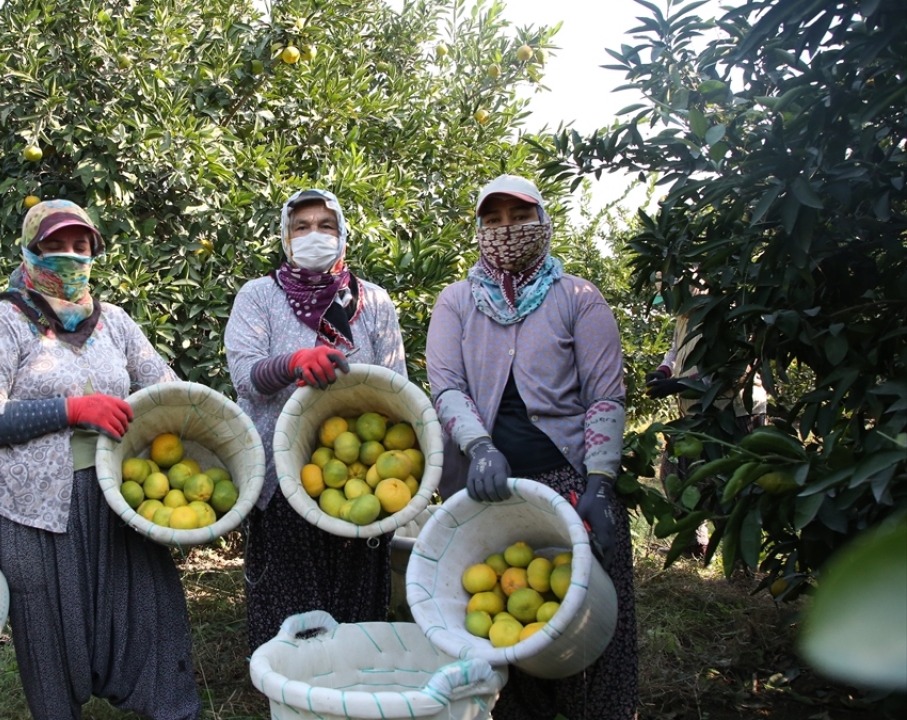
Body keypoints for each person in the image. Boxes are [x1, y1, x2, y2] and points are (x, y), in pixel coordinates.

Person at [0, 199, 199, 720]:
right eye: (55, 245)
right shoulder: (2, 322)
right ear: (30, 251)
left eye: (80, 245)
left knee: (149, 609)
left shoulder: (114, 322)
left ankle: (171, 709)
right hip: (30, 505)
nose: (69, 256)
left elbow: (167, 389)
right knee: (48, 627)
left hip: (118, 493)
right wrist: (71, 409)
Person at [425, 175, 638, 720]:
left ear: (542, 222)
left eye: (520, 217)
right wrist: (480, 447)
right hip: (491, 491)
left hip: (571, 484)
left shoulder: (578, 298)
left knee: (588, 624)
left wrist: (599, 483)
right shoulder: (457, 302)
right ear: (478, 230)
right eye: (493, 219)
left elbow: (605, 395)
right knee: (504, 626)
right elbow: (447, 386)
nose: (506, 229)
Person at [225, 189, 408, 651]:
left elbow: (396, 387)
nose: (314, 235)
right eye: (301, 226)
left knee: (356, 592)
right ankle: (289, 677)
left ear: (342, 234)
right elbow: (245, 375)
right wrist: (292, 363)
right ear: (285, 236)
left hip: (363, 471)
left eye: (326, 226)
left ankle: (353, 676)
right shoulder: (260, 296)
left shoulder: (373, 301)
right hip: (280, 468)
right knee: (291, 597)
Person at [646, 280, 768, 557]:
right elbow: (675, 349)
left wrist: (678, 384)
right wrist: (663, 371)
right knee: (675, 474)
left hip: (731, 413)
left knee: (729, 489)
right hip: (695, 414)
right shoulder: (683, 317)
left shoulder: (722, 312)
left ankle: (740, 562)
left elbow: (727, 369)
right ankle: (693, 545)